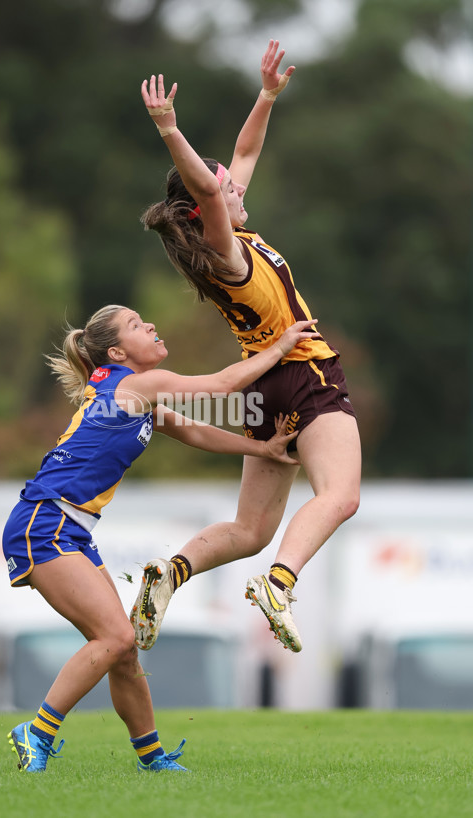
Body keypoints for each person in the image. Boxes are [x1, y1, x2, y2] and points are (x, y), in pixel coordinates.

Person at [3, 303, 319, 773]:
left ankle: (152, 759)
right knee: (113, 637)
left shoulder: (133, 393)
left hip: (68, 528)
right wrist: (279, 347)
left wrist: (261, 448)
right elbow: (221, 386)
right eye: (135, 325)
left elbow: (194, 432)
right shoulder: (134, 385)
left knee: (123, 647)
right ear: (116, 351)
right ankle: (38, 731)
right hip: (44, 523)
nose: (149, 324)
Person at [130, 39, 361, 655]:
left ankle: (170, 571)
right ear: (204, 207)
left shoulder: (229, 242)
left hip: (262, 387)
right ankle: (280, 585)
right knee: (339, 495)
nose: (234, 185)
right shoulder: (227, 250)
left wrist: (265, 96)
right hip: (304, 374)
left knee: (251, 528)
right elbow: (211, 186)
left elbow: (244, 151)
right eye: (223, 188)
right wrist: (170, 132)